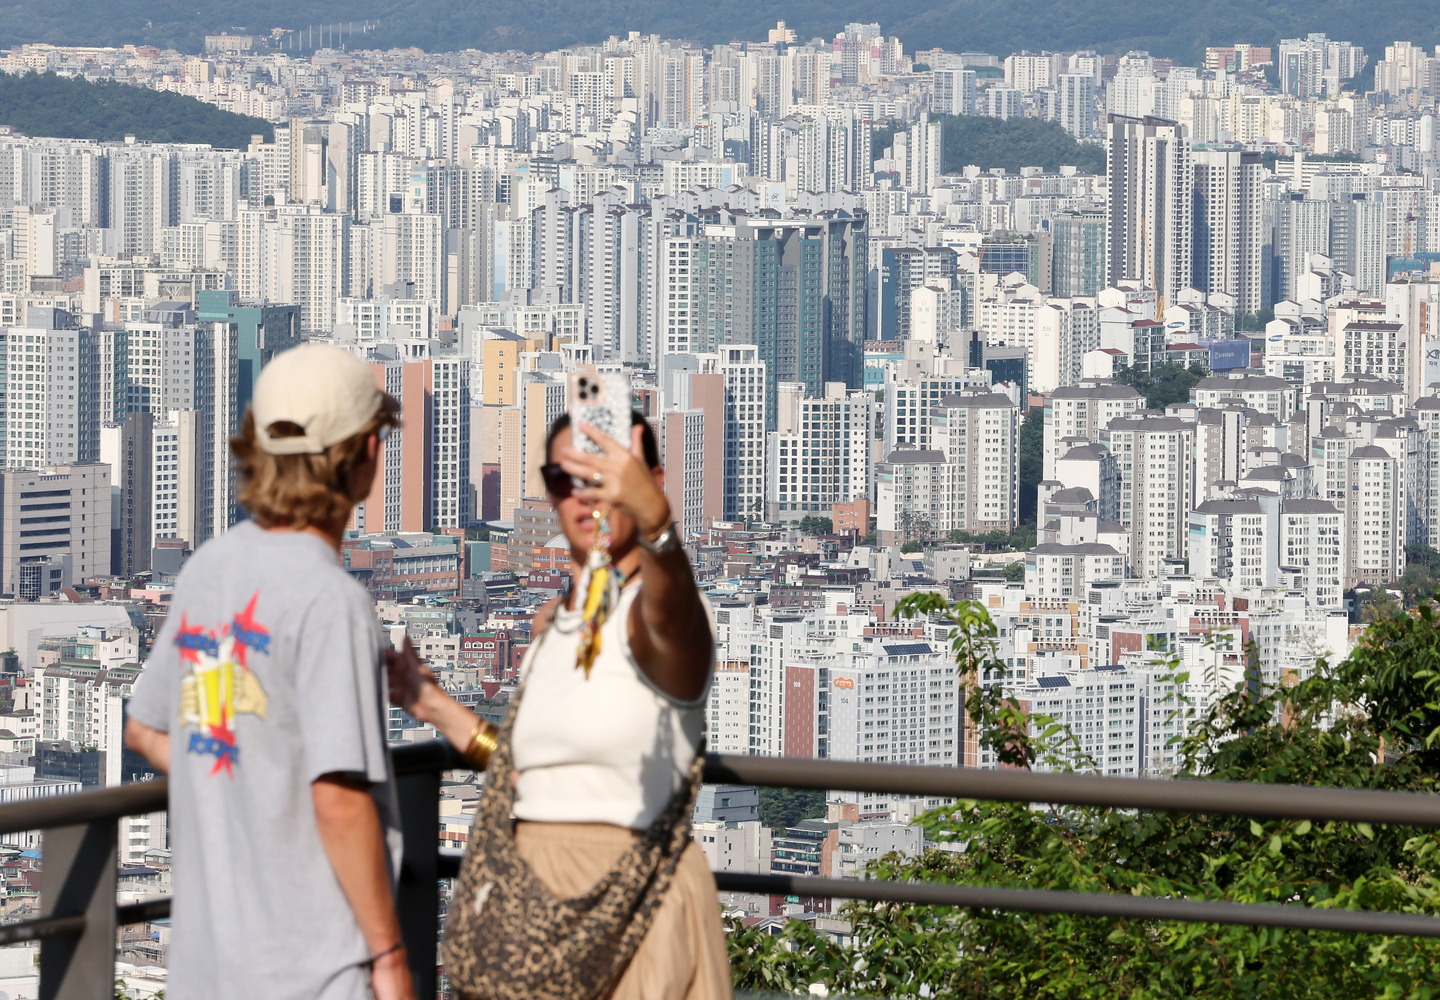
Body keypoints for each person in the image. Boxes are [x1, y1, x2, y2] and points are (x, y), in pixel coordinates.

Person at [387, 411, 731, 1000]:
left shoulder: (658, 622)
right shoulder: (552, 625)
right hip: (530, 905)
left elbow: (671, 610)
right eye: (562, 477)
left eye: (605, 474)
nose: (584, 493)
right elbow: (526, 771)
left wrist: (658, 525)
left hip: (636, 898)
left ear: (649, 480)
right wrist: (437, 708)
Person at [125, 343, 415, 1000]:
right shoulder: (330, 601)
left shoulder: (209, 568)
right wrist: (390, 955)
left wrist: (244, 777)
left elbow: (145, 731)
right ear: (365, 454)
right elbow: (339, 800)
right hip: (312, 971)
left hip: (207, 970)